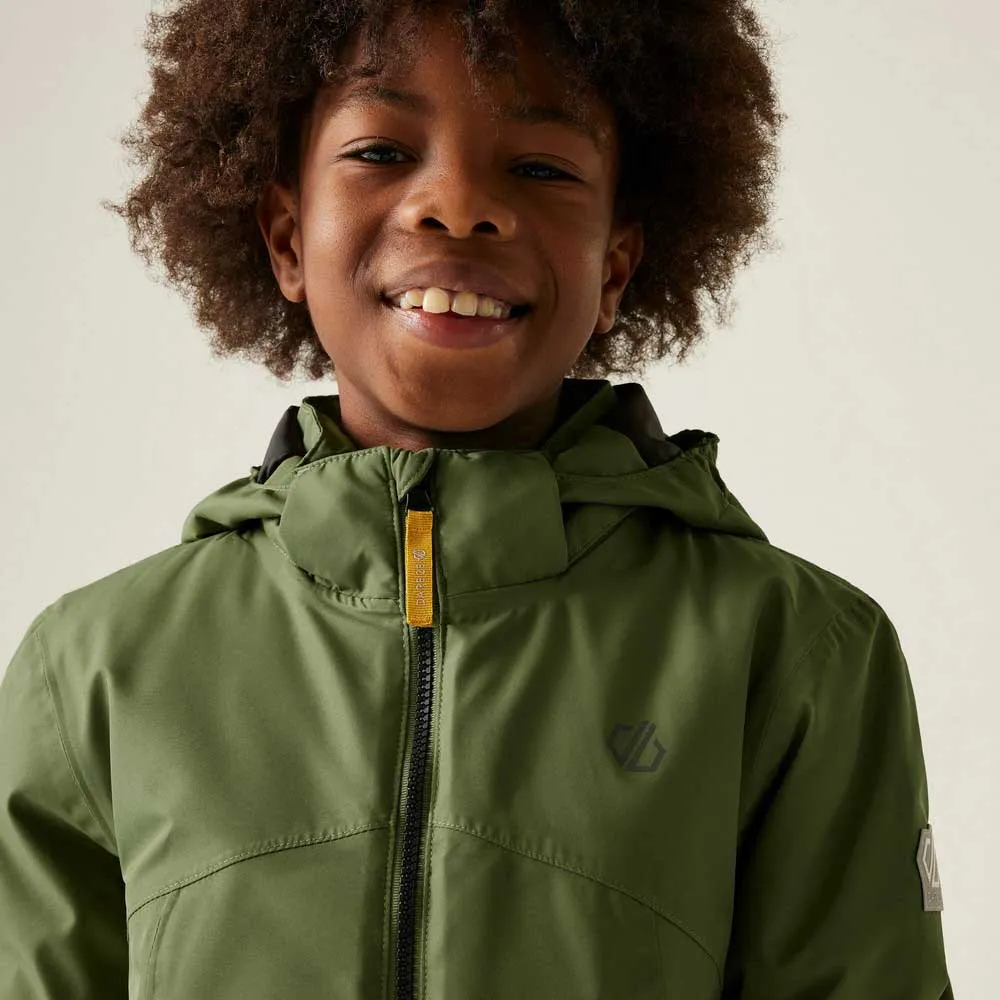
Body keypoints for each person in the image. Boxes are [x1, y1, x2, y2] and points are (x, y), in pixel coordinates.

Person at [0, 0, 954, 997]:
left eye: (540, 168)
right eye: (380, 152)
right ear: (286, 239)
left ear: (616, 265)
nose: (456, 206)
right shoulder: (95, 671)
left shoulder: (789, 654)